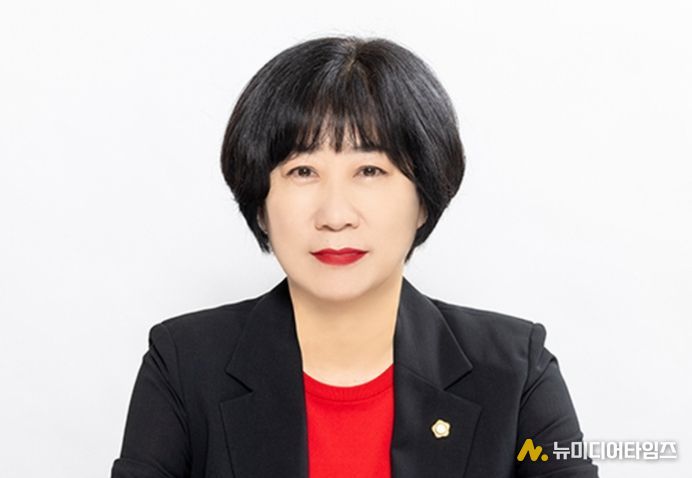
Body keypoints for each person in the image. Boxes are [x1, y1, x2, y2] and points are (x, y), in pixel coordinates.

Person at [111, 36, 599, 478]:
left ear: (424, 198)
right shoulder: (183, 365)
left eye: (369, 170)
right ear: (260, 204)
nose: (335, 215)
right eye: (303, 171)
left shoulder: (515, 370)